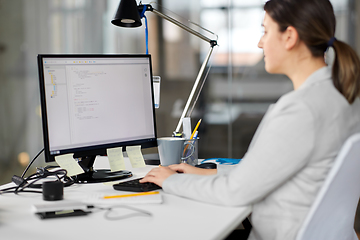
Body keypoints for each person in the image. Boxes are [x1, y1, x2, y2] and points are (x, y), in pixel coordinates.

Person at [140, 0, 360, 239]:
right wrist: (210, 173)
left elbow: (235, 193)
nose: (260, 43)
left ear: (289, 37)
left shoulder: (300, 111)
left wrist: (171, 181)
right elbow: (271, 170)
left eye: (265, 31)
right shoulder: (341, 96)